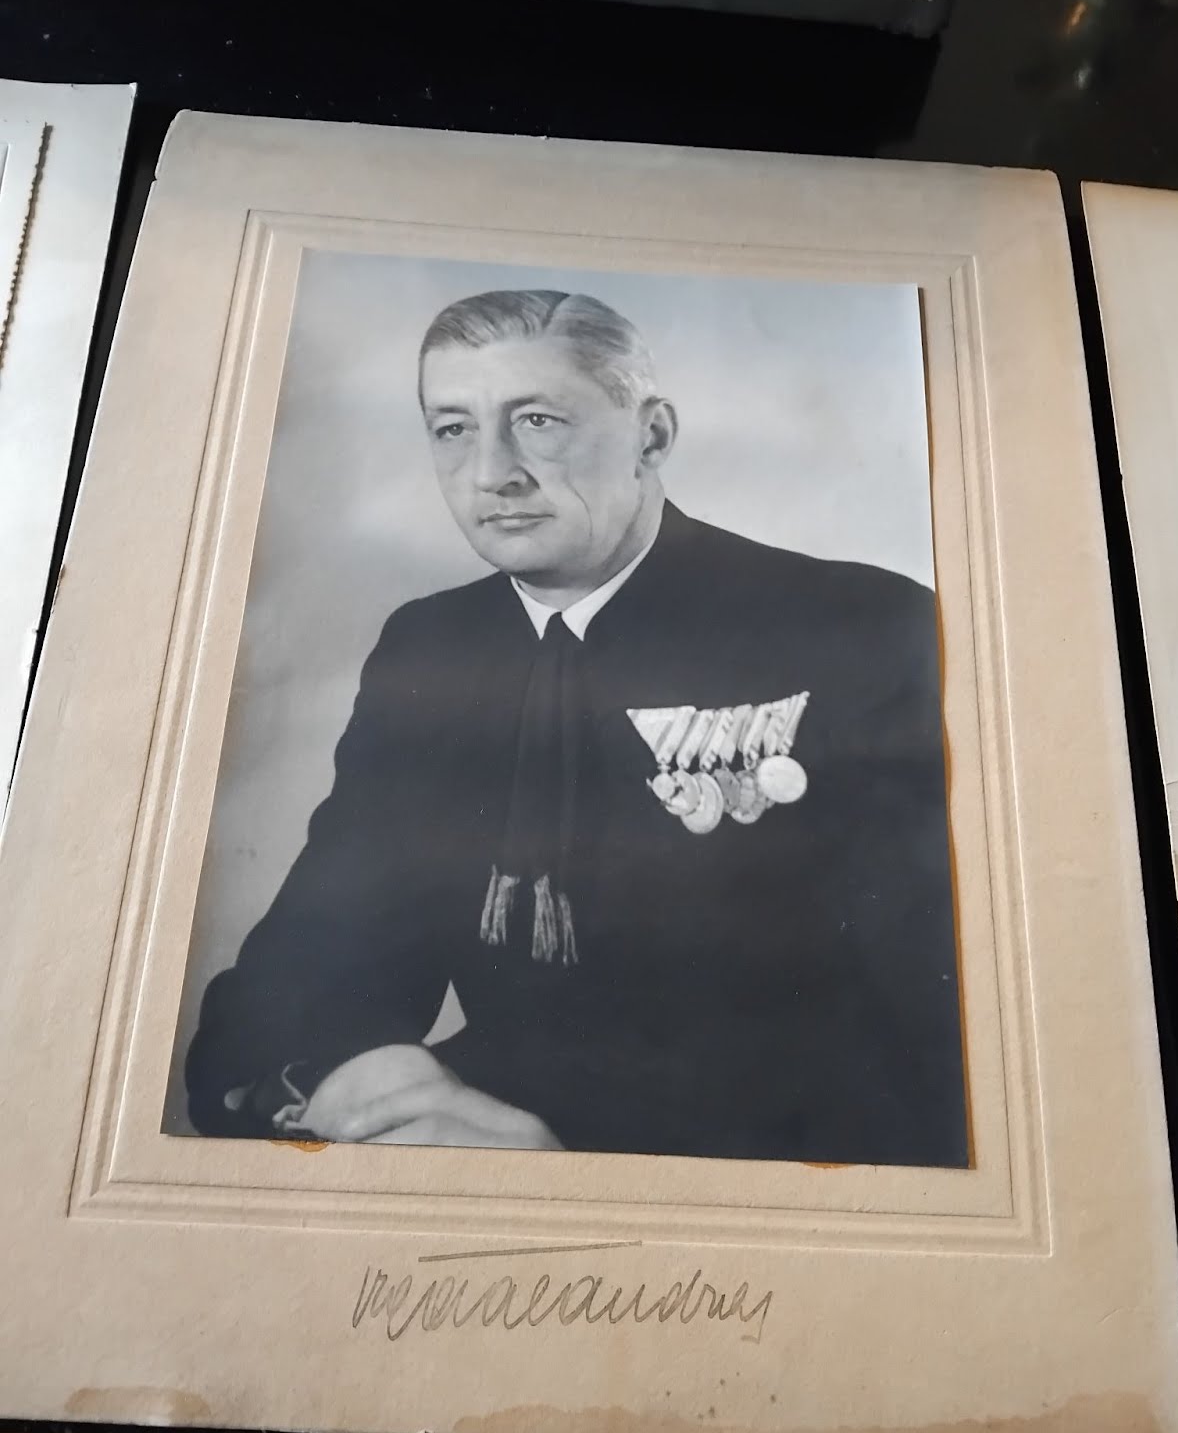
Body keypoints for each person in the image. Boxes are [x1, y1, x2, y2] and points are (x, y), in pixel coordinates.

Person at [184, 288, 967, 1166]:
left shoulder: (859, 629)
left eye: (538, 421)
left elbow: (943, 1038)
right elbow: (309, 966)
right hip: (487, 1147)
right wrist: (356, 1077)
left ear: (651, 436)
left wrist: (588, 1175)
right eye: (453, 429)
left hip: (763, 1173)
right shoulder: (432, 647)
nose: (492, 472)